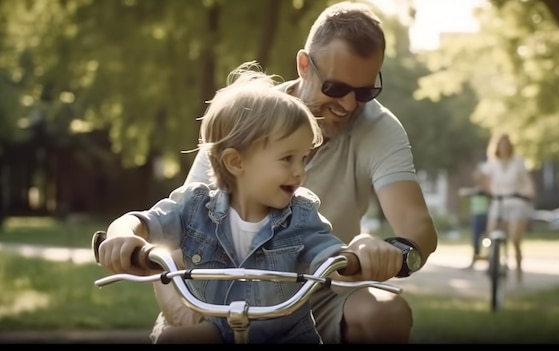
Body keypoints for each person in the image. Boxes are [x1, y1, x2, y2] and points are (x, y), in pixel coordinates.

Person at [151, 1, 439, 344]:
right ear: (304, 65)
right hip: (226, 291)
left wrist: (392, 252)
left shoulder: (377, 127)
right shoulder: (247, 117)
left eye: (364, 92)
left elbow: (417, 226)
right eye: (335, 88)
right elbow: (174, 233)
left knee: (386, 314)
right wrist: (182, 310)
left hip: (325, 284)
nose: (348, 105)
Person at [97, 66, 370, 344]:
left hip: (287, 336)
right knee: (171, 339)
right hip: (222, 331)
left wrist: (357, 259)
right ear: (236, 162)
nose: (300, 171)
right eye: (287, 158)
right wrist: (122, 235)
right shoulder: (195, 207)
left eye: (303, 158)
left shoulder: (300, 215)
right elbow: (141, 221)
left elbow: (330, 254)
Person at [481, 133, 535, 283]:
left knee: (515, 239)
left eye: (506, 144)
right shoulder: (491, 164)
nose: (503, 147)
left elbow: (527, 181)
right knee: (491, 233)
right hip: (499, 202)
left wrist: (529, 192)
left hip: (516, 202)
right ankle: (491, 263)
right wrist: (486, 192)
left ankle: (518, 274)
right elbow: (485, 182)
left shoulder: (518, 162)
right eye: (501, 144)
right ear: (496, 147)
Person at [458, 164, 490, 269]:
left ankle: (491, 261)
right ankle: (474, 260)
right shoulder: (474, 191)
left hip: (487, 216)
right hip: (476, 216)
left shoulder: (487, 190)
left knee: (489, 239)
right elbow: (462, 193)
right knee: (475, 240)